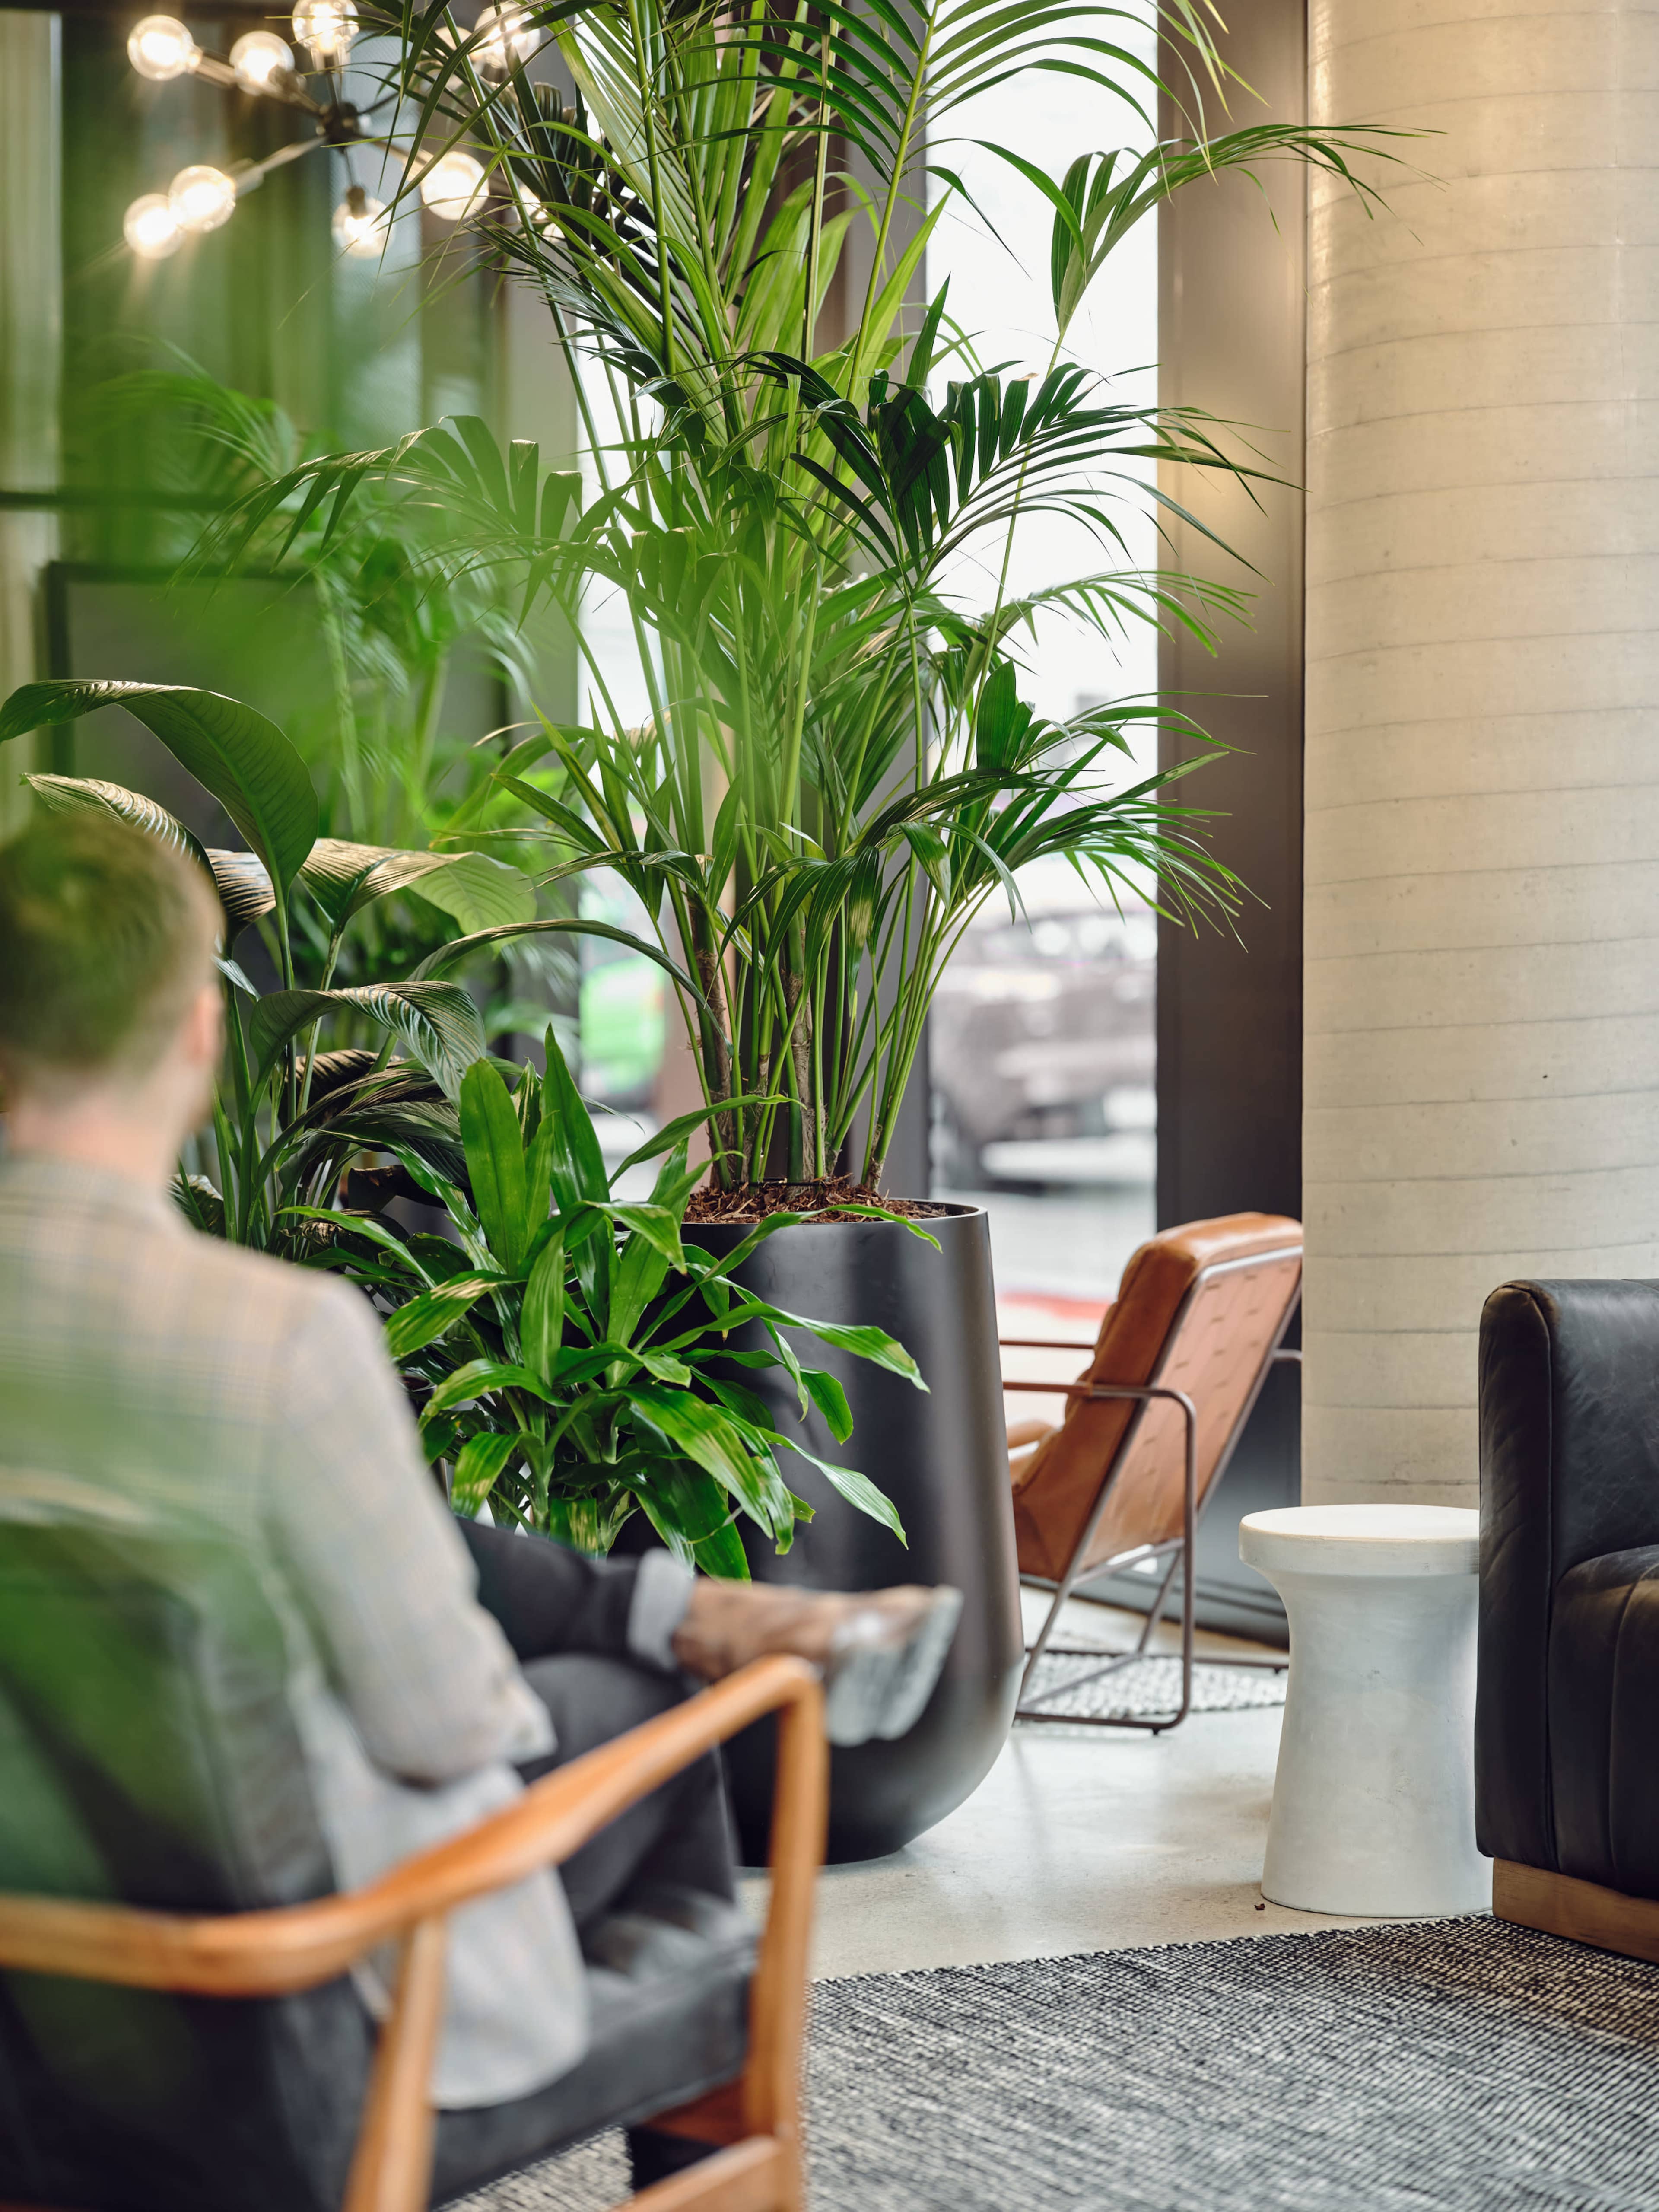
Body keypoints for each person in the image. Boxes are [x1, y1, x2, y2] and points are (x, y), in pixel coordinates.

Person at [0, 812, 959, 2182]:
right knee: (649, 1726)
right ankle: (704, 2137)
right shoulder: (273, 1338)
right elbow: (447, 1722)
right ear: (200, 1042)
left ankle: (678, 1621)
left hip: (29, 2024)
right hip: (282, 2044)